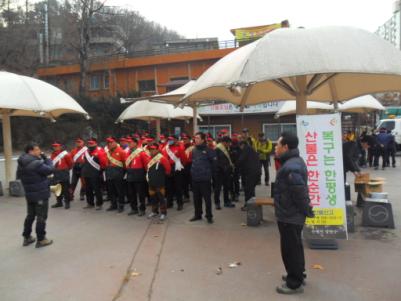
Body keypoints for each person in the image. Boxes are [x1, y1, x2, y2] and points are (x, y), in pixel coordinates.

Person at [274, 132, 312, 295]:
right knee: (295, 246)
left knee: (290, 249)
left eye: (277, 145)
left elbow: (299, 192)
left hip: (290, 215)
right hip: (290, 213)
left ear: (285, 147)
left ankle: (294, 283)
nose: (275, 147)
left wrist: (306, 211)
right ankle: (297, 273)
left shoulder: (291, 166)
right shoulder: (292, 162)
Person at [17, 143, 54, 248]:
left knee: (30, 216)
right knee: (41, 217)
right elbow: (50, 169)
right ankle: (41, 239)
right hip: (40, 194)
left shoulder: (21, 162)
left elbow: (19, 176)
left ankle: (27, 237)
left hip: (29, 194)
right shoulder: (36, 163)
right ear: (30, 151)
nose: (39, 151)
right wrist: (46, 159)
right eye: (37, 150)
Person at [189, 132, 217, 224]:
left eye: (197, 138)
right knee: (196, 199)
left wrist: (210, 176)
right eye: (195, 138)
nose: (195, 139)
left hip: (205, 179)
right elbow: (192, 162)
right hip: (195, 179)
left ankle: (209, 216)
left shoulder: (209, 150)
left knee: (207, 199)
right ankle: (198, 215)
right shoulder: (193, 150)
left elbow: (214, 165)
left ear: (202, 139)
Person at [125, 137, 150, 216]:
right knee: (131, 193)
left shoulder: (141, 153)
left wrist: (146, 174)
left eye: (130, 142)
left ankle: (142, 209)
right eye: (128, 143)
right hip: (130, 175)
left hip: (139, 175)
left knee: (141, 194)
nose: (129, 144)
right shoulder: (128, 153)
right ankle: (134, 208)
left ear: (136, 143)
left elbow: (146, 165)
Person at [147, 143, 171, 221]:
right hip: (151, 182)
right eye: (150, 150)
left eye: (153, 149)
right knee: (153, 198)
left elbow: (168, 170)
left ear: (157, 150)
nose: (151, 151)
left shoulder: (162, 158)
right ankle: (154, 211)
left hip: (160, 183)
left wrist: (161, 177)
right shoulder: (149, 158)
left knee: (161, 198)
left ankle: (163, 213)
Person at [81, 138, 107, 210]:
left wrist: (100, 172)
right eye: (89, 143)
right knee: (88, 189)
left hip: (95, 174)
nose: (90, 145)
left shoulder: (100, 152)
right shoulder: (86, 152)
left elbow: (103, 163)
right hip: (86, 173)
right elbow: (83, 161)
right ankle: (90, 203)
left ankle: (99, 204)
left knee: (97, 189)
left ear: (96, 144)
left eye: (92, 143)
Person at [162, 135, 186, 211]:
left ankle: (180, 204)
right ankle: (169, 203)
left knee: (178, 187)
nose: (170, 141)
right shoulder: (165, 149)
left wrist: (180, 166)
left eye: (171, 140)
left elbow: (184, 159)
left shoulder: (180, 148)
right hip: (167, 168)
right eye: (169, 140)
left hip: (177, 167)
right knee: (169, 187)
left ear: (176, 140)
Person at [104, 137, 127, 212]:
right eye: (108, 143)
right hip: (109, 173)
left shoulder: (121, 151)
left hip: (118, 174)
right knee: (111, 191)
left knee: (119, 191)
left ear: (115, 143)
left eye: (111, 142)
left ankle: (121, 205)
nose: (110, 144)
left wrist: (122, 173)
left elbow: (125, 164)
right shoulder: (108, 152)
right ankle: (113, 204)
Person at [237, 140, 261, 210]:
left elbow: (241, 160)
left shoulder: (246, 149)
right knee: (251, 190)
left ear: (242, 145)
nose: (240, 148)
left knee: (248, 190)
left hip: (251, 173)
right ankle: (252, 204)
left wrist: (236, 165)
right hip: (256, 172)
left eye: (240, 146)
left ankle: (248, 206)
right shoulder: (251, 149)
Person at [50, 141, 73, 209]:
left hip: (63, 172)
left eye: (56, 146)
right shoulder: (53, 154)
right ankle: (59, 202)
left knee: (66, 189)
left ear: (60, 146)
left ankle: (67, 202)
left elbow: (70, 163)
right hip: (56, 173)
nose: (55, 147)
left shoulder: (65, 154)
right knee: (57, 188)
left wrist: (65, 169)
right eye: (54, 146)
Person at [214, 136, 235, 209]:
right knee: (218, 188)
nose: (229, 144)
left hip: (227, 171)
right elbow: (216, 161)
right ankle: (217, 203)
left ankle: (226, 201)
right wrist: (222, 167)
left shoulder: (227, 148)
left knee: (227, 187)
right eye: (228, 143)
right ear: (224, 142)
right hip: (219, 172)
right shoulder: (217, 149)